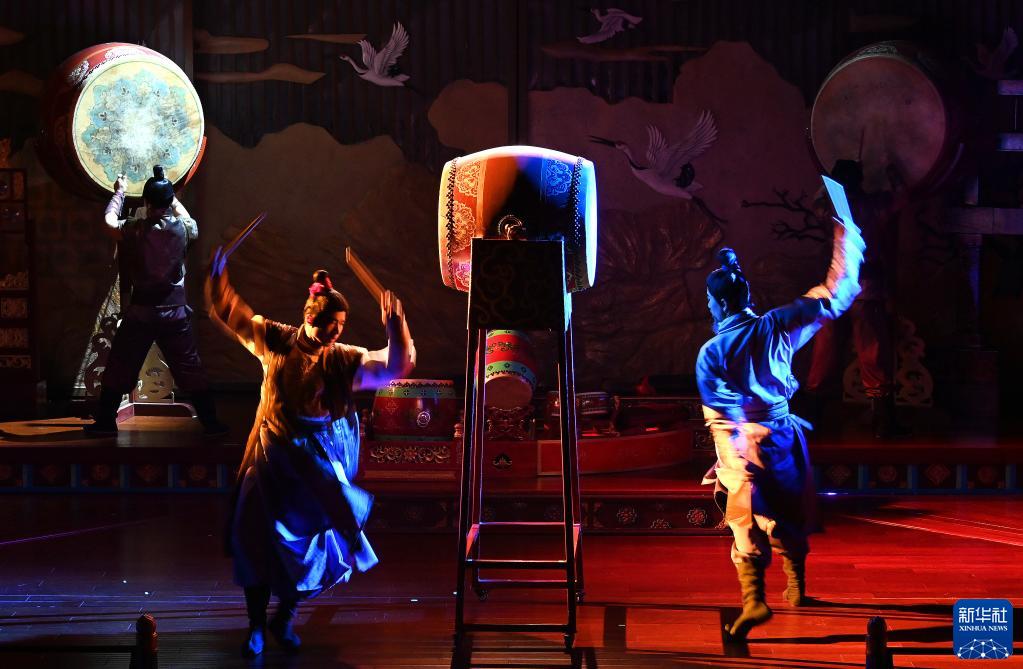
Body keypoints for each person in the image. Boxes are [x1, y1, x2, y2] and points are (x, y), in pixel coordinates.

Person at [206, 252, 414, 657]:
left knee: (306, 551)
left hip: (313, 468)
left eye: (340, 325)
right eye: (328, 323)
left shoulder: (342, 359)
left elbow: (394, 367)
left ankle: (284, 617)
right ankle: (255, 626)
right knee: (257, 541)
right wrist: (219, 280)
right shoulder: (276, 340)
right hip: (269, 458)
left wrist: (397, 327)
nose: (334, 332)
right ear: (308, 316)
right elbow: (234, 315)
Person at [696, 215, 864, 641]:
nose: (710, 307)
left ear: (719, 304)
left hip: (742, 444)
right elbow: (832, 295)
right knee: (789, 509)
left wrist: (740, 438)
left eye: (711, 301)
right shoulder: (776, 325)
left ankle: (754, 599)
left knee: (745, 519)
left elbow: (722, 409)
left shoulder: (712, 351)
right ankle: (796, 585)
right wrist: (846, 240)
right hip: (783, 434)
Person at [85, 166, 224, 436]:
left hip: (142, 313)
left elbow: (109, 221)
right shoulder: (186, 229)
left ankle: (105, 424)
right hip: (175, 314)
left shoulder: (135, 229)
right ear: (169, 201)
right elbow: (184, 214)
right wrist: (170, 191)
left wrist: (120, 192)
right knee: (190, 367)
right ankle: (211, 423)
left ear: (146, 203)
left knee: (120, 365)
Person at [804, 159, 909, 438]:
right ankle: (883, 424)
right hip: (866, 290)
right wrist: (893, 172)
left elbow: (816, 203)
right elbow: (901, 198)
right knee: (873, 354)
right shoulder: (874, 205)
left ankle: (813, 422)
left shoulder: (831, 206)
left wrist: (826, 183)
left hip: (835, 290)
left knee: (824, 356)